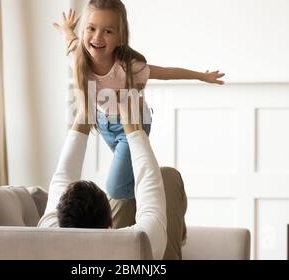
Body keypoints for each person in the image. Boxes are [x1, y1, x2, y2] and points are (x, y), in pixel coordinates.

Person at [53, 0, 225, 202]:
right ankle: (146, 187)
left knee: (116, 189)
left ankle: (163, 180)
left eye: (108, 31)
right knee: (128, 175)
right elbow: (69, 38)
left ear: (120, 37)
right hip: (104, 124)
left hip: (135, 124)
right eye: (91, 28)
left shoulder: (128, 66)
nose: (97, 37)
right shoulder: (78, 57)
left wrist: (201, 76)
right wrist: (66, 28)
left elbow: (167, 73)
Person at [38, 100, 186, 260]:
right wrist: (132, 123)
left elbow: (63, 175)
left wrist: (86, 109)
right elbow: (150, 184)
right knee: (168, 177)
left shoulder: (48, 236)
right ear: (111, 223)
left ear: (60, 219)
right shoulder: (141, 243)